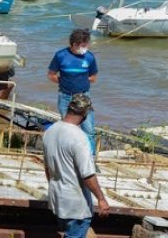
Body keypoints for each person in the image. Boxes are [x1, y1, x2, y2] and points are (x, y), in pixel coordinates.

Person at [43, 94, 110, 238]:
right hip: (76, 205)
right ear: (85, 113)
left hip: (57, 199)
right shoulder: (79, 137)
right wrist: (101, 199)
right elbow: (88, 175)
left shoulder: (50, 132)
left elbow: (47, 168)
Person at [47, 28, 98, 155]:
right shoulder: (60, 55)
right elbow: (51, 75)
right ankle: (68, 154)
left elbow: (93, 77)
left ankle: (90, 158)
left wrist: (80, 80)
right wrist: (64, 81)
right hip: (65, 97)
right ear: (74, 44)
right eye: (83, 45)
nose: (85, 48)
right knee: (68, 129)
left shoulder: (90, 57)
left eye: (87, 45)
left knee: (89, 129)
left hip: (84, 97)